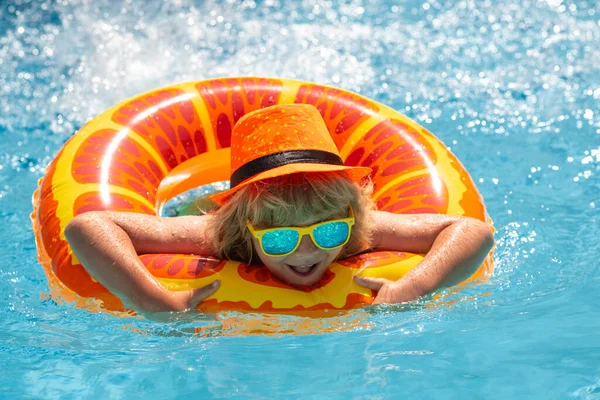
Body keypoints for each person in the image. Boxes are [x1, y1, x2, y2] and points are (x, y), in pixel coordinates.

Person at [65, 104, 494, 317]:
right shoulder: (220, 236)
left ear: (350, 217)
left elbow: (471, 231)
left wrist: (416, 286)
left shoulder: (357, 231)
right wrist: (147, 297)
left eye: (327, 234)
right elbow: (89, 225)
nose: (307, 251)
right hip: (201, 210)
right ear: (246, 231)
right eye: (282, 239)